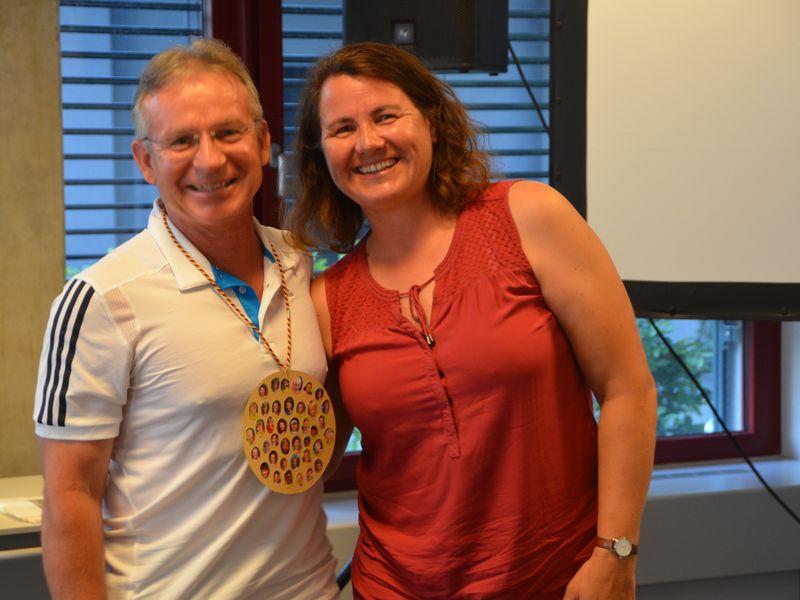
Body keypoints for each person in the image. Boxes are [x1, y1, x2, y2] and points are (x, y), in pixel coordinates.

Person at [290, 42, 658, 599]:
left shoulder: (529, 217)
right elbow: (305, 464)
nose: (367, 142)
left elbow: (628, 388)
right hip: (393, 586)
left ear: (433, 123)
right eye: (342, 129)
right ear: (321, 155)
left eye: (386, 116)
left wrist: (616, 551)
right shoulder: (326, 299)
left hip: (557, 580)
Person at [33, 38, 337, 599]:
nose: (210, 160)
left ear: (262, 142)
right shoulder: (101, 300)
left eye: (227, 132)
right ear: (145, 161)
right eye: (181, 140)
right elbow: (70, 495)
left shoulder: (301, 265)